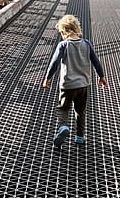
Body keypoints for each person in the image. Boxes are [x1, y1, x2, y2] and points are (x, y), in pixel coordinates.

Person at [42, 14, 106, 148]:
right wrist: (101, 76)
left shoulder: (63, 45)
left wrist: (47, 78)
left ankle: (63, 127)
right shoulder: (87, 44)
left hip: (67, 85)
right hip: (83, 84)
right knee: (80, 111)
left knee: (63, 108)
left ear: (64, 31)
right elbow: (96, 62)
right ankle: (79, 137)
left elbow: (54, 63)